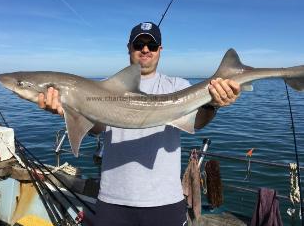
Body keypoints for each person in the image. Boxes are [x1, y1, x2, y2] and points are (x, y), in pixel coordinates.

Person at [38, 22, 241, 226]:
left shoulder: (177, 86)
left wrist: (213, 105)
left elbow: (196, 123)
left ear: (160, 50)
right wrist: (71, 110)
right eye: (139, 44)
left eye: (151, 46)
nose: (145, 50)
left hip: (165, 201)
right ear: (129, 48)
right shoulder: (103, 87)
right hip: (113, 200)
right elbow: (98, 128)